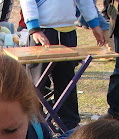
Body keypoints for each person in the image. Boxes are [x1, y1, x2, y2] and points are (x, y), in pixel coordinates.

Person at [20, 0, 106, 130]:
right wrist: (34, 28)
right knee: (37, 81)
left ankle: (69, 124)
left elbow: (84, 1)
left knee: (67, 80)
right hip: (42, 31)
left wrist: (94, 23)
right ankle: (34, 123)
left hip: (68, 31)